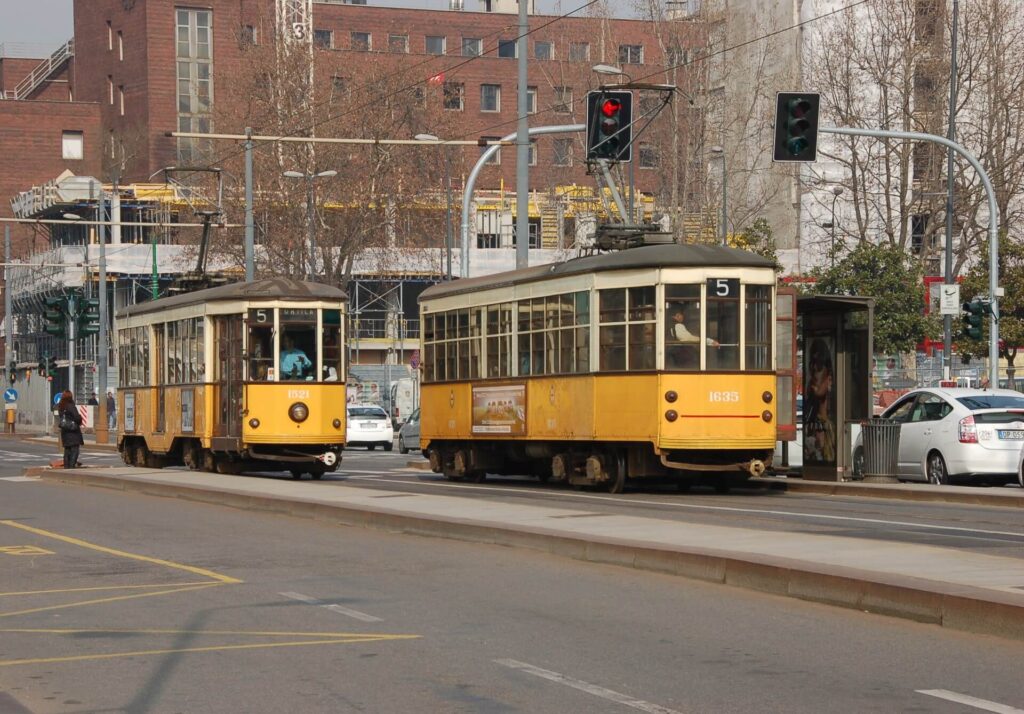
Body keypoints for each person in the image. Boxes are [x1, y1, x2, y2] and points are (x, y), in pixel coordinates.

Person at [803, 338, 836, 463]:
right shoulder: (810, 418)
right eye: (812, 363)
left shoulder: (834, 424)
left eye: (820, 364)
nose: (814, 369)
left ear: (830, 379)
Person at [57, 390, 84, 469]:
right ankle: (71, 467)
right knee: (74, 450)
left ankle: (66, 467)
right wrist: (80, 420)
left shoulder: (61, 406)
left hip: (65, 431)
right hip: (73, 431)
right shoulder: (70, 406)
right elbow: (76, 417)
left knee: (67, 450)